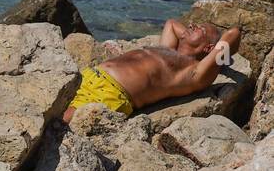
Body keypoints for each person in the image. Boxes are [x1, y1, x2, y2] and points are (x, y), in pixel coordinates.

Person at [63, 18, 242, 121]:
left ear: (209, 48)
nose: (192, 25)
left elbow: (233, 33)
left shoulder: (194, 73)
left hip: (111, 94)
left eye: (200, 29)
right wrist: (194, 35)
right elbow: (171, 23)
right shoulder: (168, 48)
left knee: (62, 122)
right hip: (89, 76)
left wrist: (219, 54)